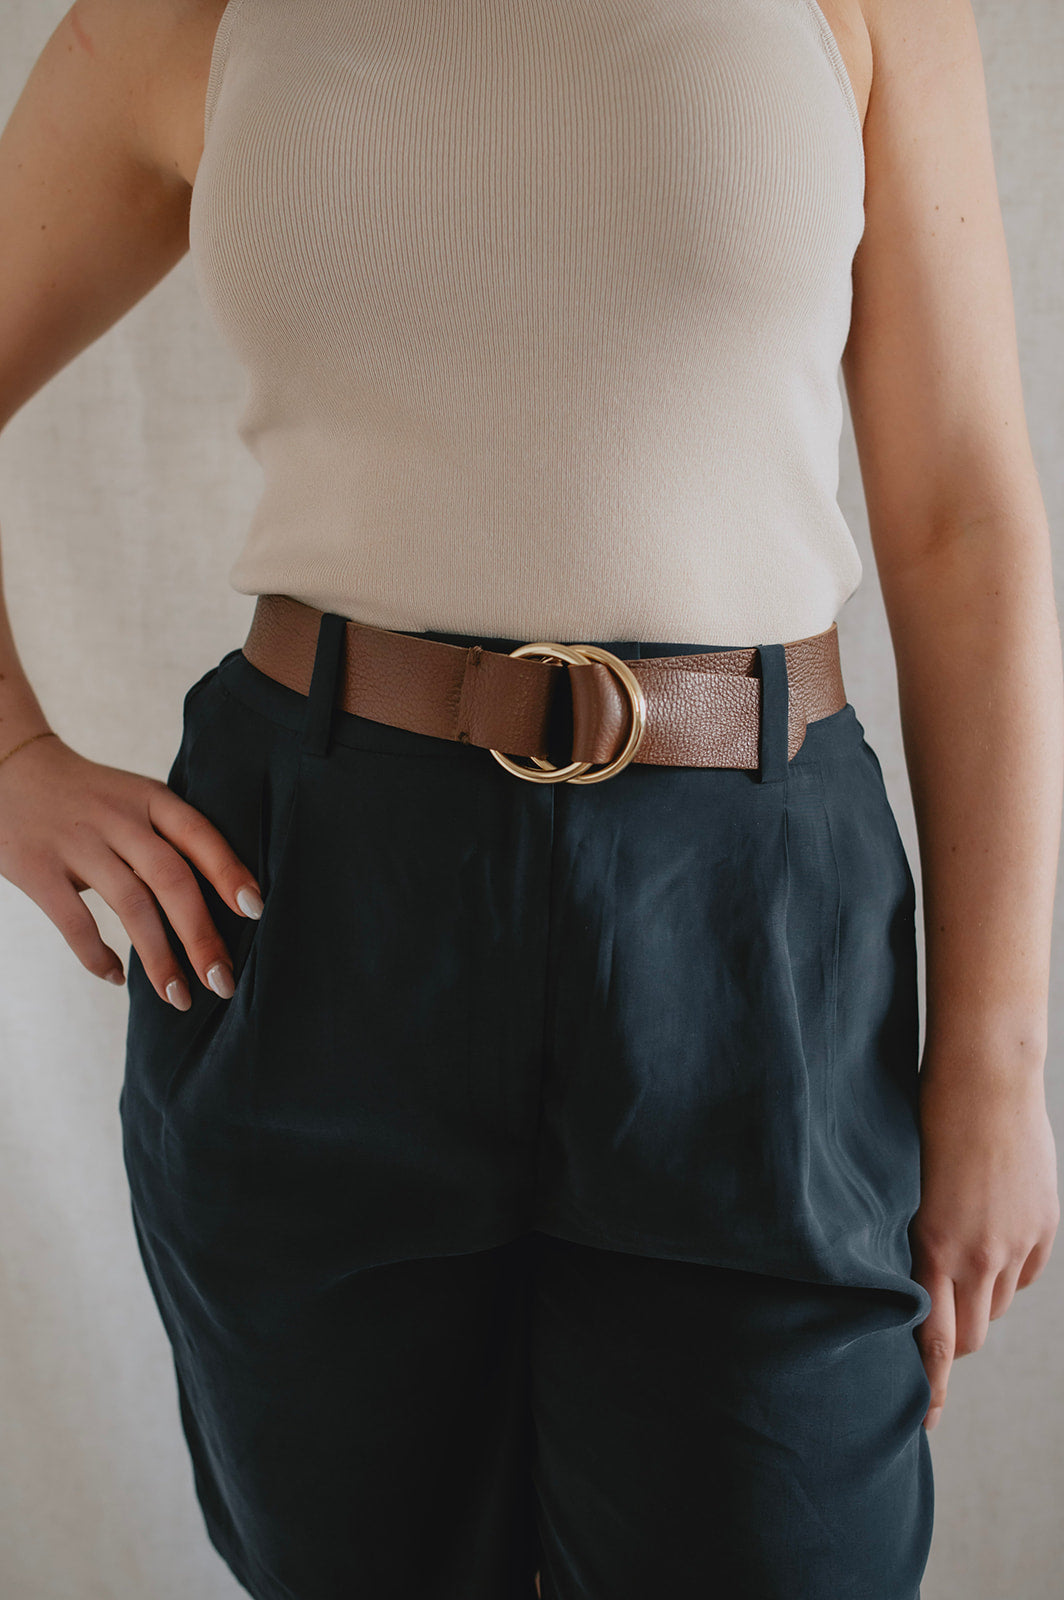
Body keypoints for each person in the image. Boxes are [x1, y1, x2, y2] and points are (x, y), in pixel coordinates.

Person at [0, 1, 1059, 1596]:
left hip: (756, 922)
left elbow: (962, 519)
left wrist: (996, 1060)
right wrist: (12, 763)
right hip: (315, 908)